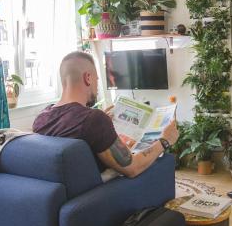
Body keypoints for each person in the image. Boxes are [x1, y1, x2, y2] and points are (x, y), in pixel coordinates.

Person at [32, 51, 179, 178]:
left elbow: (72, 126)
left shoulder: (42, 118)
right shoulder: (93, 120)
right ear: (88, 78)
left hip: (63, 196)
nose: (97, 87)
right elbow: (133, 168)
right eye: (96, 79)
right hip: (100, 195)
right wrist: (165, 140)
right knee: (162, 160)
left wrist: (100, 123)